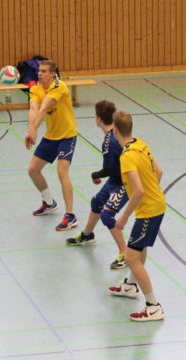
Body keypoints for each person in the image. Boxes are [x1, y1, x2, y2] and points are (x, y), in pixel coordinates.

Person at [108, 111, 166, 321]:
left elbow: (139, 191)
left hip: (149, 211)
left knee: (132, 257)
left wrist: (123, 217)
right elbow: (159, 172)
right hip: (154, 206)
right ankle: (131, 286)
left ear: (115, 130)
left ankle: (153, 306)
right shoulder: (140, 143)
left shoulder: (127, 157)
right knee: (138, 249)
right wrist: (152, 195)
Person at [66, 100, 129, 269]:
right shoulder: (114, 135)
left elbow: (108, 169)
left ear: (98, 118)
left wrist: (95, 175)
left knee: (107, 216)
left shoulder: (110, 141)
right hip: (115, 179)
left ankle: (125, 253)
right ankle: (87, 235)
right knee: (97, 202)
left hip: (124, 184)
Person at [25, 60, 78, 231]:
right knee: (33, 170)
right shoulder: (35, 89)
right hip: (51, 137)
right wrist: (29, 129)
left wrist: (34, 129)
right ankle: (49, 202)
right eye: (39, 71)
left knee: (62, 172)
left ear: (52, 74)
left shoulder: (59, 86)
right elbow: (34, 109)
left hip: (67, 136)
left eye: (44, 71)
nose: (39, 74)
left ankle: (70, 216)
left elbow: (44, 108)